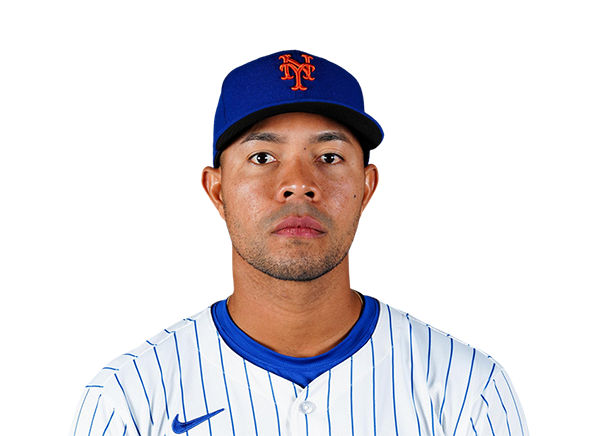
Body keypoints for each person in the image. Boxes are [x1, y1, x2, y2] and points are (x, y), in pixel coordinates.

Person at [69, 51, 528, 436]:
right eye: (262, 157)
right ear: (217, 190)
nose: (298, 184)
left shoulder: (467, 391)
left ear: (366, 187)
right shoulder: (130, 397)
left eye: (329, 157)